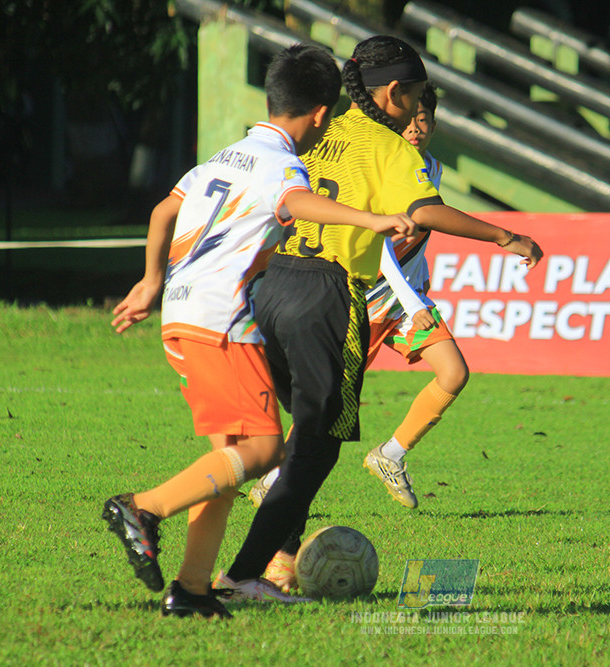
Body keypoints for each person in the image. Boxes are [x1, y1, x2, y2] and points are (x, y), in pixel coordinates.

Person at [101, 42, 416, 619]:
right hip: (223, 320)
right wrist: (373, 219)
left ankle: (193, 590)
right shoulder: (282, 164)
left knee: (226, 458)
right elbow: (298, 201)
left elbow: (163, 212)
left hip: (182, 311)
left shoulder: (225, 156)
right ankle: (142, 508)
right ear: (320, 113)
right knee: (265, 447)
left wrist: (150, 281)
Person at [220, 35, 543, 594]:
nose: (419, 109)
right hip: (325, 295)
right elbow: (428, 211)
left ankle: (265, 561)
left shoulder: (313, 128)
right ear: (394, 93)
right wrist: (505, 235)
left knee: (293, 440)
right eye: (416, 95)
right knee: (315, 450)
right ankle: (251, 572)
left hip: (264, 288)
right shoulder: (389, 148)